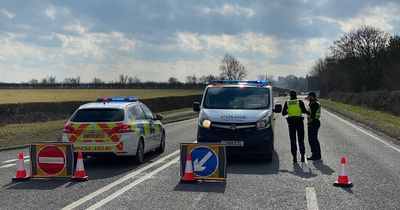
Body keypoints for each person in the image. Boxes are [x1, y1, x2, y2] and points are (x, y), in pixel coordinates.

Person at [282, 90, 309, 162]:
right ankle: (302, 155)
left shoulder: (287, 102)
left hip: (291, 123)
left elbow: (283, 113)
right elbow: (304, 111)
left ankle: (294, 157)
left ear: (290, 95)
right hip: (299, 122)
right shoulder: (299, 102)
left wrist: (289, 111)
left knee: (293, 140)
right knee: (301, 139)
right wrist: (308, 111)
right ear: (296, 95)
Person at [307, 92, 322, 160]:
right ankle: (317, 154)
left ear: (312, 96)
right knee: (314, 139)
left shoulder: (314, 104)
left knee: (312, 140)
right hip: (315, 122)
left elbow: (312, 115)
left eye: (309, 96)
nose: (308, 98)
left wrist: (309, 122)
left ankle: (315, 155)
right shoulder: (315, 103)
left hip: (313, 122)